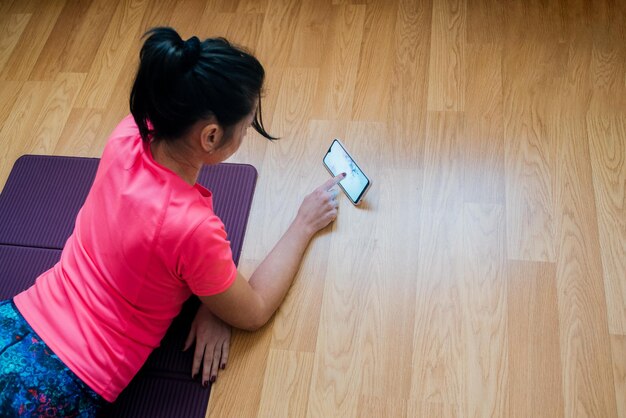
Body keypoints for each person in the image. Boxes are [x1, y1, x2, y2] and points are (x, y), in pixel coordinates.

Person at [0, 27, 344, 416]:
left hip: (17, 320)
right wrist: (303, 222)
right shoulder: (192, 229)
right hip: (61, 379)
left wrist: (211, 301)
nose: (247, 132)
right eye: (246, 128)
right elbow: (254, 310)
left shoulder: (127, 134)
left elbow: (158, 254)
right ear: (211, 137)